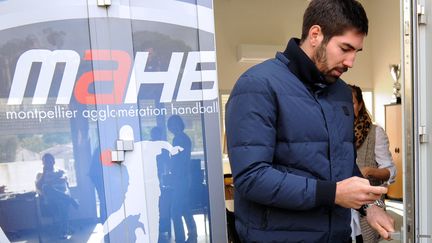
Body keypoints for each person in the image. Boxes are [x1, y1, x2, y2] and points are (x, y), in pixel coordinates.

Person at [225, 0, 395, 242]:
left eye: (356, 52)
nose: (351, 62)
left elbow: (343, 165)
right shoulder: (258, 85)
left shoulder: (341, 93)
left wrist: (369, 207)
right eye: (345, 48)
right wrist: (333, 193)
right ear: (315, 34)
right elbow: (252, 177)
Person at [349, 85, 397, 243]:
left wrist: (369, 171)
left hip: (370, 207)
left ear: (360, 105)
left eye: (353, 103)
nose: (348, 107)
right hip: (342, 211)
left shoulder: (375, 133)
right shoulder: (333, 132)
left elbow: (390, 171)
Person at [167, 115, 197, 243]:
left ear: (177, 124)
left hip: (181, 178)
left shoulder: (179, 139)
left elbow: (178, 160)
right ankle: (193, 234)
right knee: (184, 207)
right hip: (184, 177)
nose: (171, 128)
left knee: (175, 211)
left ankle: (180, 238)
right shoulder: (184, 138)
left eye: (173, 125)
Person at [35, 153, 79, 239]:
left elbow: (64, 182)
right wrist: (44, 174)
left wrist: (56, 181)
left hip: (62, 196)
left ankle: (64, 232)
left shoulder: (60, 171)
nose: (47, 163)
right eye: (45, 161)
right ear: (43, 163)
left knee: (62, 202)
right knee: (46, 187)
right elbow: (39, 186)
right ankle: (70, 199)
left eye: (49, 161)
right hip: (50, 199)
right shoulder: (40, 174)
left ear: (53, 162)